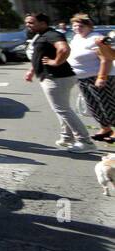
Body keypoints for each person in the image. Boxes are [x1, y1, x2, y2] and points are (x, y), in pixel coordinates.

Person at [24, 12, 93, 152]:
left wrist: (55, 62)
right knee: (62, 109)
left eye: (31, 22)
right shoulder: (41, 35)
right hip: (54, 76)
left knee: (62, 109)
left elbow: (64, 49)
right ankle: (67, 137)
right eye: (27, 22)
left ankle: (85, 141)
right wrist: (32, 70)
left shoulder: (51, 34)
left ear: (43, 23)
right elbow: (40, 55)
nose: (28, 25)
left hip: (56, 77)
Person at [68, 14, 115, 143]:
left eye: (81, 25)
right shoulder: (76, 38)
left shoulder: (95, 38)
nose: (77, 28)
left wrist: (101, 77)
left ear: (89, 27)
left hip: (99, 76)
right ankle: (105, 128)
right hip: (83, 78)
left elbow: (106, 59)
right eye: (75, 25)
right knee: (93, 106)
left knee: (109, 105)